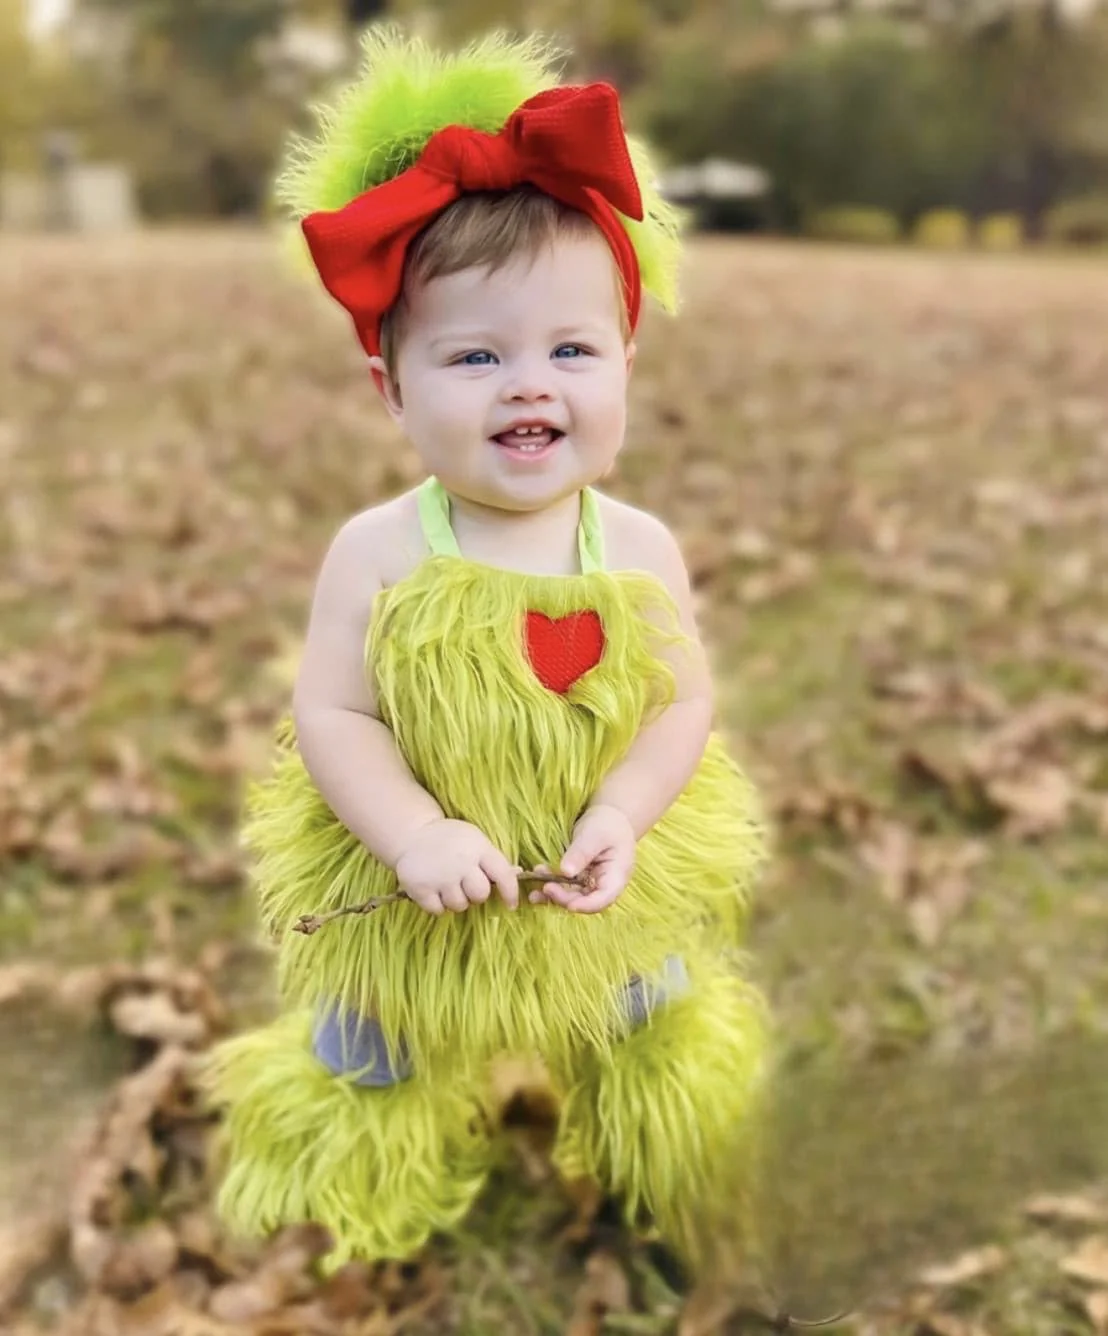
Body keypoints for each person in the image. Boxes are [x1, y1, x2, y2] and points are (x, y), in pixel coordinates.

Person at [204, 25, 771, 1279]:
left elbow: (679, 704)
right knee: (376, 1042)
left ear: (625, 362)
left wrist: (625, 810)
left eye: (571, 349)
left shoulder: (637, 549)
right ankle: (356, 1198)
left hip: (597, 870)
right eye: (475, 355)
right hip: (414, 883)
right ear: (392, 388)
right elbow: (336, 716)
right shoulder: (377, 552)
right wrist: (413, 835)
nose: (529, 385)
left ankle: (661, 1158)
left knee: (645, 1009)